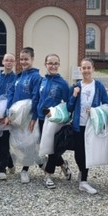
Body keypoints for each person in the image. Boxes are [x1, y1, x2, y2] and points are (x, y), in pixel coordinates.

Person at [67, 58, 108, 194]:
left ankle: (84, 181)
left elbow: (106, 105)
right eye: (83, 68)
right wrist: (74, 95)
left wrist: (95, 111)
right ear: (80, 70)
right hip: (78, 125)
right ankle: (81, 172)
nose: (86, 70)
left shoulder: (99, 86)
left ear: (93, 69)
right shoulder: (76, 86)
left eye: (88, 68)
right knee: (78, 153)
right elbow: (69, 107)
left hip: (91, 125)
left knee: (87, 152)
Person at [5, 47, 42, 184]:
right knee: (16, 142)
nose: (23, 62)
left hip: (28, 116)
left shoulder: (36, 77)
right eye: (21, 59)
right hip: (16, 117)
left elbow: (36, 98)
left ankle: (25, 170)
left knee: (29, 143)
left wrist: (34, 118)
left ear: (32, 59)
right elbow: (11, 94)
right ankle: (41, 164)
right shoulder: (18, 76)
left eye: (26, 59)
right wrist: (9, 112)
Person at [37, 53, 71, 189]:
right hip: (40, 117)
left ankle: (48, 174)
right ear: (45, 64)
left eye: (55, 63)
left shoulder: (62, 83)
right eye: (50, 63)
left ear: (59, 65)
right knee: (41, 146)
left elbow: (67, 103)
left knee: (51, 147)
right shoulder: (42, 81)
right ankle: (62, 164)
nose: (53, 66)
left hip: (53, 120)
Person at [0, 53, 16, 180]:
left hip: (8, 116)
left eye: (11, 60)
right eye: (6, 60)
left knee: (5, 142)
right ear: (2, 61)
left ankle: (1, 169)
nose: (8, 62)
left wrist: (8, 115)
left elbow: (15, 98)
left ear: (14, 63)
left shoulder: (16, 78)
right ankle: (10, 162)